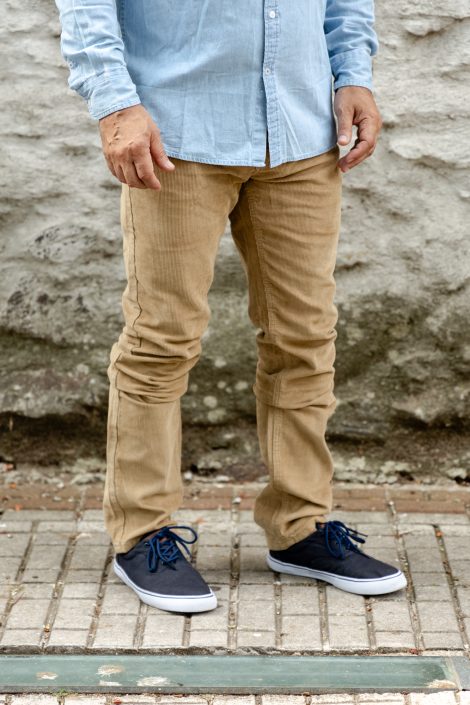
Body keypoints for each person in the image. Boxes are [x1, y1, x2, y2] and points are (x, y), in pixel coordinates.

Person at [54, 0, 407, 614]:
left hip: (301, 131)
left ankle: (300, 525)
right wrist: (114, 102)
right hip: (175, 133)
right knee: (161, 339)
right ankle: (142, 534)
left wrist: (353, 75)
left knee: (305, 337)